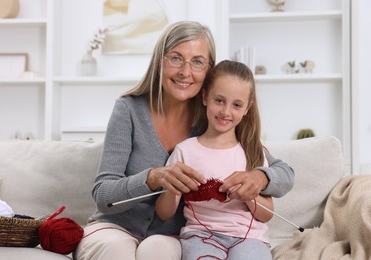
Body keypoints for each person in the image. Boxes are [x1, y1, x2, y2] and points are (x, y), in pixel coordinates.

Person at [74, 21, 294, 260]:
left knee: (155, 250)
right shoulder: (129, 109)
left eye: (197, 61)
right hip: (115, 228)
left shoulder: (215, 118)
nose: (185, 72)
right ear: (160, 60)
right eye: (176, 58)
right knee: (116, 249)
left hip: (169, 237)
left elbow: (284, 173)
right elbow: (104, 196)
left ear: (209, 71)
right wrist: (153, 178)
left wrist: (260, 177)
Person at [156, 60, 273, 260]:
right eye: (219, 100)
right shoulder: (185, 151)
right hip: (199, 235)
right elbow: (164, 213)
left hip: (249, 237)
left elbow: (267, 214)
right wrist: (173, 189)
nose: (225, 112)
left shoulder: (253, 152)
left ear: (247, 108)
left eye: (236, 105)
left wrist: (248, 195)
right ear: (205, 97)